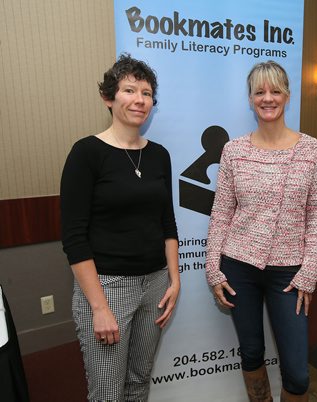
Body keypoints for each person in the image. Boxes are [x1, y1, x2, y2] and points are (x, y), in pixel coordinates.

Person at [206, 60, 317, 401]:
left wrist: (309, 271)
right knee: (251, 352)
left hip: (289, 274)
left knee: (298, 372)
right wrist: (213, 269)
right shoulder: (234, 151)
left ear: (287, 96)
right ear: (250, 99)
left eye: (275, 90)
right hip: (238, 267)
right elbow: (221, 213)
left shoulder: (312, 150)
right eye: (259, 91)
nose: (268, 98)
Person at [60, 54, 180, 401]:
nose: (139, 99)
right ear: (108, 97)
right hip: (108, 287)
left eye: (146, 92)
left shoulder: (159, 155)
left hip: (156, 284)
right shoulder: (86, 153)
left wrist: (174, 278)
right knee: (108, 392)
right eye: (129, 90)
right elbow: (74, 238)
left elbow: (167, 221)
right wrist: (98, 307)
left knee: (139, 381)